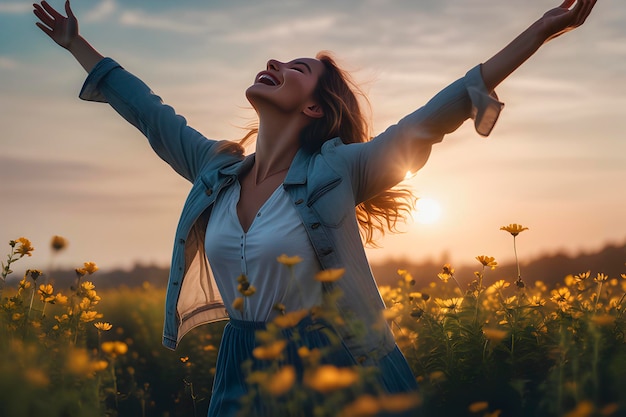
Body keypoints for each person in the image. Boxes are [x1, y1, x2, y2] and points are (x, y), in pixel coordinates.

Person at [33, 0, 597, 415]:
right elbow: (148, 111)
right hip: (243, 359)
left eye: (297, 69)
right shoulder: (216, 170)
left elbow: (437, 112)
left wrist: (543, 30)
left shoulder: (338, 171)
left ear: (312, 108)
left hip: (338, 362)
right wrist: (76, 45)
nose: (275, 61)